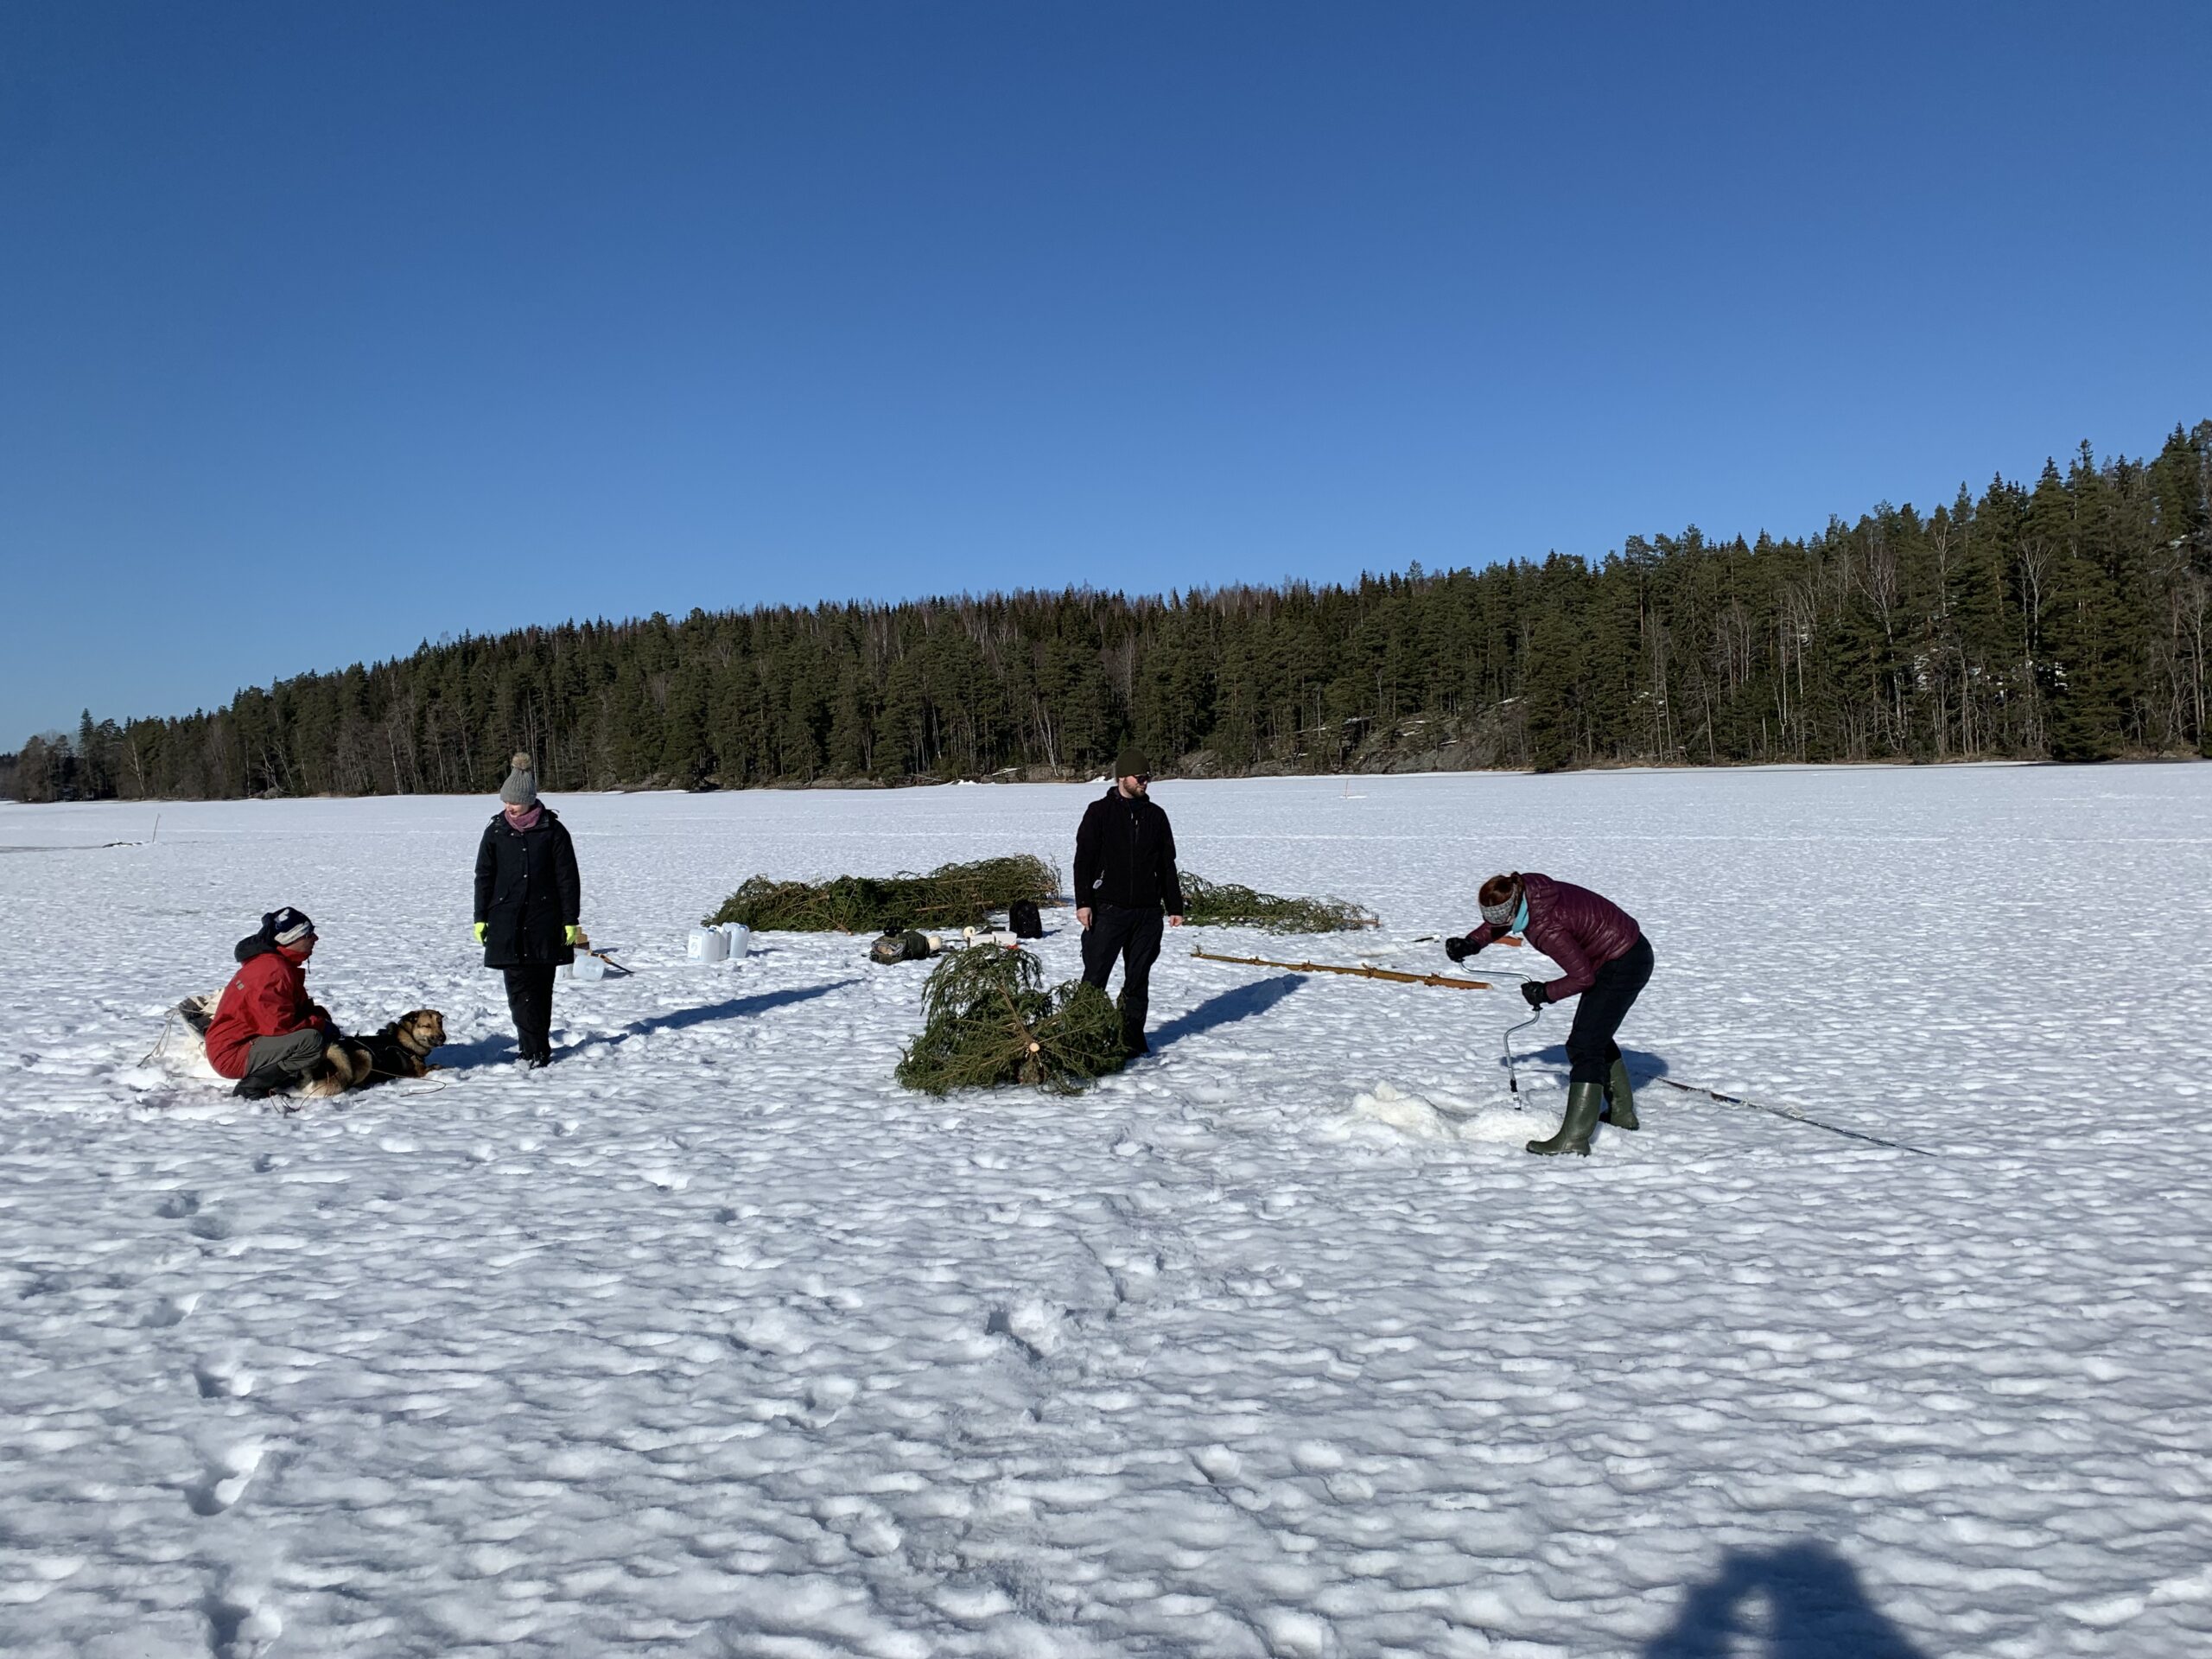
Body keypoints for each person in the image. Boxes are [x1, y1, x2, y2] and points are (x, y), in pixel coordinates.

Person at [1449, 871, 1653, 1156]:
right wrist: (1472, 942)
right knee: (1594, 1033)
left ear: (1511, 911)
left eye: (1498, 921)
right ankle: (1622, 1115)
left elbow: (1583, 978)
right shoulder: (1527, 890)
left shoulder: (1546, 927)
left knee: (1584, 1045)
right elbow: (1502, 920)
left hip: (1623, 962)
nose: (1496, 926)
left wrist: (1544, 992)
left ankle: (1575, 1139)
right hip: (1621, 952)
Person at [1074, 744, 1185, 1056]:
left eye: (1148, 777)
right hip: (1107, 910)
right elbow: (1083, 860)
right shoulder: (1099, 812)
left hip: (1147, 914)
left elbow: (1166, 864)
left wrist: (1173, 906)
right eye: (1140, 777)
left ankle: (1131, 1038)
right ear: (1122, 777)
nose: (1145, 782)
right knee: (1095, 977)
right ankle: (1081, 1036)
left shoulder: (1156, 816)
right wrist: (1084, 902)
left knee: (1138, 979)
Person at [474, 753, 582, 1067]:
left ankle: (538, 1048)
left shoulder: (553, 831)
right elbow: (484, 876)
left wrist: (570, 920)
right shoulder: (495, 831)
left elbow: (568, 878)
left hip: (544, 922)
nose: (510, 808)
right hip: (506, 923)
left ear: (530, 801)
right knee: (518, 991)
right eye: (506, 803)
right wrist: (481, 917)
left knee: (540, 989)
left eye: (515, 803)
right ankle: (530, 1050)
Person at [205, 906, 345, 1098]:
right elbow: (279, 1026)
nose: (315, 939)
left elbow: (293, 1009)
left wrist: (320, 1017)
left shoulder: (276, 964)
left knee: (313, 1034)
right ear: (291, 939)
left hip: (238, 1043)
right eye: (308, 934)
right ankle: (253, 1087)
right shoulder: (272, 971)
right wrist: (319, 1025)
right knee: (311, 1042)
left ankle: (281, 1071)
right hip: (232, 1053)